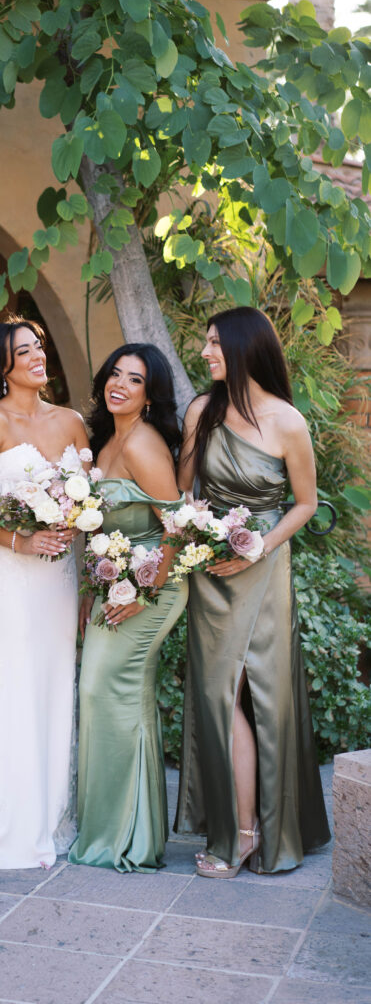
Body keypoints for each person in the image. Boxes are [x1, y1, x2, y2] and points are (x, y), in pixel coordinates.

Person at [174, 307, 330, 877]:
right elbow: (184, 489)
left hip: (262, 567)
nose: (206, 352)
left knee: (253, 690)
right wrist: (195, 532)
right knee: (221, 696)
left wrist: (258, 549)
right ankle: (241, 823)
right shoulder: (201, 411)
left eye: (215, 343)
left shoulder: (287, 421)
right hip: (213, 568)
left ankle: (247, 833)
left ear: (243, 348)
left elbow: (305, 504)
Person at [0, 316, 89, 869]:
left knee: (55, 687)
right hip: (9, 578)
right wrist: (20, 538)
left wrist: (73, 533)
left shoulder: (74, 421)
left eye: (39, 347)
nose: (38, 356)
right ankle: (0, 826)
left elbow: (89, 503)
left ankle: (51, 816)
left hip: (60, 579)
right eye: (24, 350)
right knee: (8, 686)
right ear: (2, 366)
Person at [68, 344, 188, 872]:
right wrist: (90, 590)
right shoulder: (107, 438)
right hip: (114, 585)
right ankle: (122, 832)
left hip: (150, 592)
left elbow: (178, 527)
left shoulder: (143, 444)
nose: (119, 384)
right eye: (115, 374)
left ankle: (126, 839)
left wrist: (143, 592)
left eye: (134, 380)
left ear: (149, 394)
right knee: (103, 696)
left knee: (105, 691)